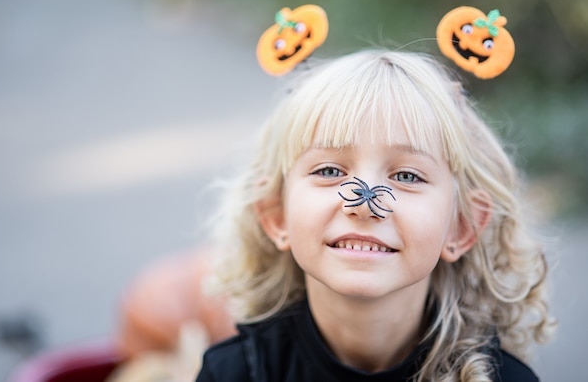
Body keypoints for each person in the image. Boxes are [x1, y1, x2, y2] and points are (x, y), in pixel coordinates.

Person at [196, 49, 555, 381]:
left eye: (407, 176)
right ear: (277, 215)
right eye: (329, 171)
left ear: (461, 226)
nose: (364, 204)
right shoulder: (233, 374)